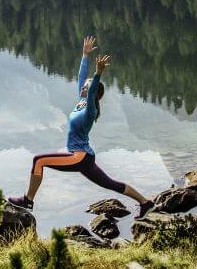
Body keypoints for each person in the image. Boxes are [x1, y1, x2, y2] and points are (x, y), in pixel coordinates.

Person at [8, 36, 155, 218]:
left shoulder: (90, 111)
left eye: (86, 86)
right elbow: (80, 76)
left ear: (92, 92)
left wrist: (98, 73)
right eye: (84, 86)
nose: (83, 86)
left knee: (39, 161)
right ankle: (145, 202)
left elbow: (92, 88)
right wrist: (85, 55)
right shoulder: (81, 102)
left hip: (78, 156)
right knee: (110, 183)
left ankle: (28, 200)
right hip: (85, 157)